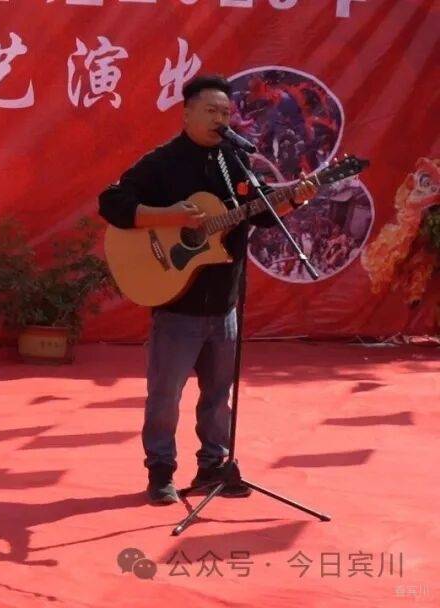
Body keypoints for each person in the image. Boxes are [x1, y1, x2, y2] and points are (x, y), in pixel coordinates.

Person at [97, 75, 316, 505]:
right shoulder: (162, 162)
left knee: (218, 396)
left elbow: (261, 211)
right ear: (187, 114)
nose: (220, 119)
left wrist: (294, 198)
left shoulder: (235, 160)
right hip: (177, 304)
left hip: (224, 302)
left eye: (225, 112)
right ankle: (160, 472)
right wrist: (167, 217)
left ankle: (213, 466)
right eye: (211, 110)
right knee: (166, 396)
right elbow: (112, 201)